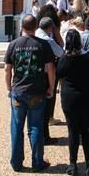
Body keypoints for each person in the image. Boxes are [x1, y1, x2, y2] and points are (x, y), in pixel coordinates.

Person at [4, 14, 55, 172]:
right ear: (36, 27)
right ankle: (37, 161)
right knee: (35, 126)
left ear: (22, 27)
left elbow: (7, 69)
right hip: (37, 90)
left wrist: (9, 88)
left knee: (16, 127)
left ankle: (16, 162)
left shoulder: (13, 44)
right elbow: (51, 68)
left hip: (18, 90)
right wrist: (51, 87)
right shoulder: (43, 44)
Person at [56, 30, 89, 176]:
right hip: (86, 95)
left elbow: (59, 74)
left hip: (70, 97)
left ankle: (73, 164)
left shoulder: (64, 59)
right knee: (86, 130)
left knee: (73, 131)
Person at [35, 17, 64, 145]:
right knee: (46, 107)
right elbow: (61, 53)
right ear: (50, 28)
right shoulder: (48, 40)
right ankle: (45, 137)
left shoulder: (35, 34)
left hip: (34, 74)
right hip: (46, 75)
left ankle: (37, 135)